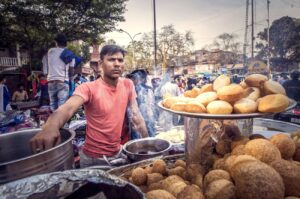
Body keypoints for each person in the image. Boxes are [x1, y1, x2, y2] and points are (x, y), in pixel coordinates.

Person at [30, 45, 148, 168]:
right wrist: (50, 126)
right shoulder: (88, 88)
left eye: (120, 60)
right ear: (101, 63)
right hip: (93, 159)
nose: (117, 64)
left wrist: (147, 143)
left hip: (117, 153)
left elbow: (136, 116)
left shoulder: (127, 84)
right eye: (111, 60)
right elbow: (67, 109)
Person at [47, 34, 75, 111]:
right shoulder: (70, 54)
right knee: (62, 108)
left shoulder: (50, 51)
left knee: (53, 106)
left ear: (56, 42)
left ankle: (54, 121)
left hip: (50, 81)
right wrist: (70, 79)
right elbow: (71, 70)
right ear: (66, 43)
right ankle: (61, 122)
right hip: (62, 82)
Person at [129, 69, 156, 137]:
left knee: (150, 140)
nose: (132, 80)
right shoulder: (131, 89)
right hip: (135, 122)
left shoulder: (147, 90)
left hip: (147, 120)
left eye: (134, 78)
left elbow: (150, 106)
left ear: (142, 79)